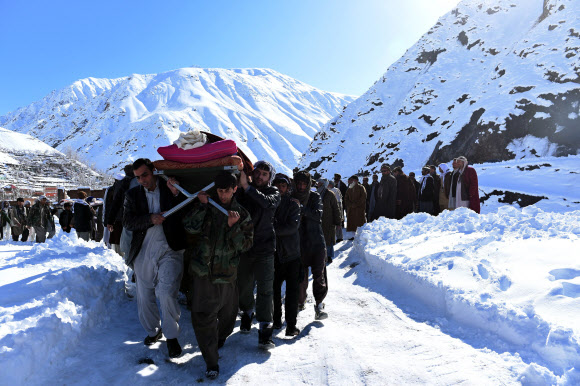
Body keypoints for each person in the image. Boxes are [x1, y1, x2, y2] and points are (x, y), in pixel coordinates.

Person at [182, 171, 253, 380]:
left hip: (227, 275)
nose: (223, 195)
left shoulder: (242, 214)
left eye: (227, 191)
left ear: (235, 190)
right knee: (203, 319)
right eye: (220, 191)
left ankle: (218, 340)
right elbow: (189, 226)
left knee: (228, 318)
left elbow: (245, 245)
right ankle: (211, 361)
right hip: (203, 273)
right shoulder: (209, 207)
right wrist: (202, 206)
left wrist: (233, 228)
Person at [123, 158, 187, 358]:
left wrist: (176, 194)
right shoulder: (132, 195)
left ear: (154, 172)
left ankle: (171, 337)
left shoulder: (171, 188)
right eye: (138, 177)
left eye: (145, 175)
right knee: (145, 295)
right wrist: (150, 219)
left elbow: (187, 212)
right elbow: (128, 222)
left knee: (167, 292)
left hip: (170, 249)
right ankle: (153, 330)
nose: (142, 180)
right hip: (143, 250)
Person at [235, 160, 280, 349]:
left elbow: (266, 204)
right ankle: (247, 311)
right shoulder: (241, 192)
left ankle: (264, 331)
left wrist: (246, 186)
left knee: (265, 289)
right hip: (245, 248)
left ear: (270, 177)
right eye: (258, 172)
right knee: (243, 286)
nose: (260, 176)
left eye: (265, 174)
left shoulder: (273, 193)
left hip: (265, 248)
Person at [293, 171, 328, 320]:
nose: (301, 187)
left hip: (316, 243)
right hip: (299, 244)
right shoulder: (291, 197)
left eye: (304, 184)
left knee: (319, 275)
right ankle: (300, 301)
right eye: (298, 183)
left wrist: (301, 208)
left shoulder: (315, 197)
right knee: (300, 278)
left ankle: (319, 305)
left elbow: (317, 215)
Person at [272, 173, 301, 337]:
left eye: (283, 186)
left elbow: (292, 227)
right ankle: (276, 320)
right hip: (275, 254)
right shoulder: (269, 203)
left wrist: (271, 229)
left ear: (288, 188)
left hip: (292, 255)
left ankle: (291, 325)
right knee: (274, 291)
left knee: (292, 292)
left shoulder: (293, 205)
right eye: (277, 185)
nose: (280, 188)